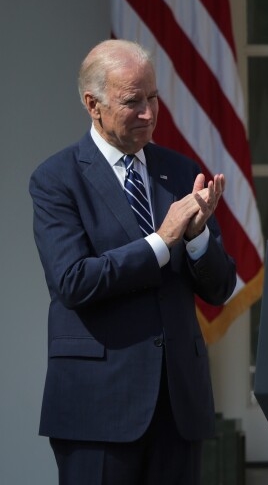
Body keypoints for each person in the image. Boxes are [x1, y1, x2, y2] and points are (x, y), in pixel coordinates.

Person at [30, 39, 237, 484]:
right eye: (132, 101)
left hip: (178, 406)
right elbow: (73, 281)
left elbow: (220, 290)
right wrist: (162, 241)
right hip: (97, 408)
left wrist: (198, 235)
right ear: (93, 105)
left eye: (153, 98)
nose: (148, 112)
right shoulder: (57, 179)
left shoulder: (181, 172)